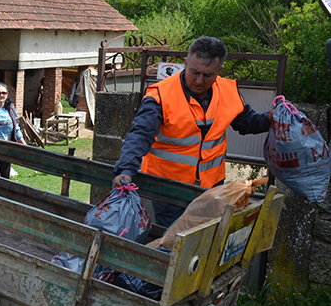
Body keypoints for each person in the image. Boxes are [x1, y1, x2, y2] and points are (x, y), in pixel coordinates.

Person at [112, 36, 273, 226]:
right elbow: (140, 135)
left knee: (202, 240)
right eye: (194, 72)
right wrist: (126, 169)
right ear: (186, 63)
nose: (199, 80)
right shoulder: (161, 96)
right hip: (169, 188)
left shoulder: (228, 92)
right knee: (173, 241)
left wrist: (270, 119)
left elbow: (246, 123)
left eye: (208, 75)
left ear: (219, 71)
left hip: (211, 187)